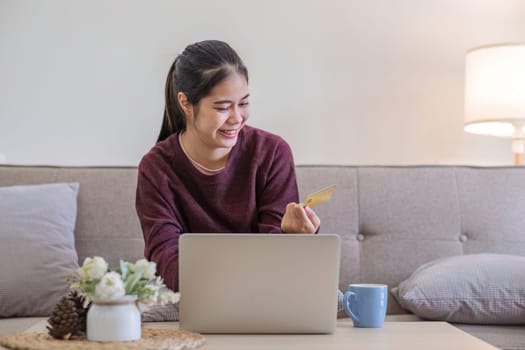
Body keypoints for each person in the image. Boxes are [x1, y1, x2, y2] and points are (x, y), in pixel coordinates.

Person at [135, 40, 320, 293]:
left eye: (243, 103)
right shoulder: (156, 168)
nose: (236, 118)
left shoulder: (272, 153)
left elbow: (279, 260)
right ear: (186, 103)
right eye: (222, 107)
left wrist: (296, 239)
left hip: (263, 297)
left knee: (337, 299)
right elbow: (165, 263)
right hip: (191, 299)